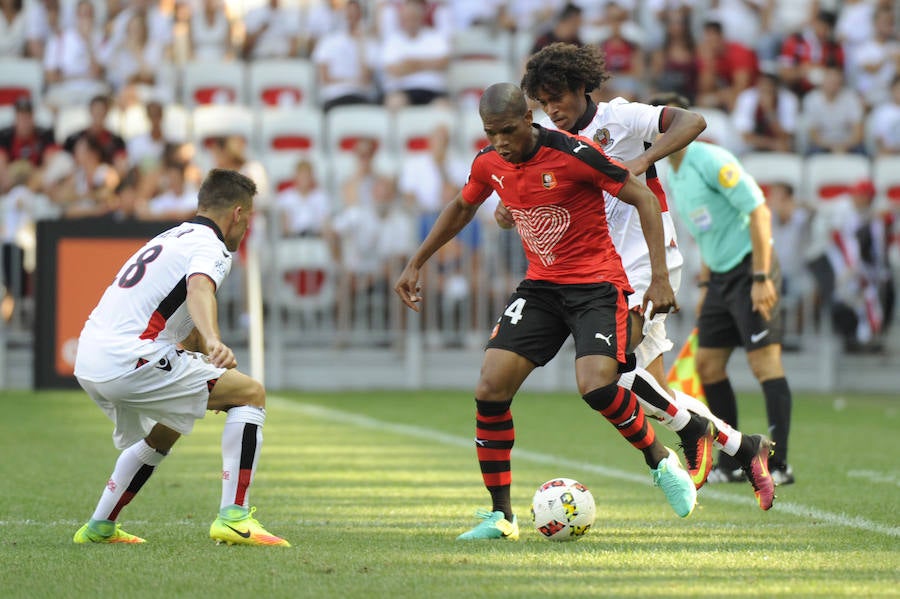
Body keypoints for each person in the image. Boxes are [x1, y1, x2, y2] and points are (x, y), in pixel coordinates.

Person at [395, 83, 698, 542]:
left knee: (596, 386)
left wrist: (658, 278)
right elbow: (462, 206)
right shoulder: (488, 162)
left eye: (508, 131)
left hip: (597, 286)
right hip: (541, 287)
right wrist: (416, 261)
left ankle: (659, 460)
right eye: (490, 132)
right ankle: (501, 516)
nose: (500, 141)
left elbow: (644, 197)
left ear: (528, 119)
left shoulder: (575, 153)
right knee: (490, 387)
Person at [497, 43, 775, 509]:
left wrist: (644, 161)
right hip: (600, 270)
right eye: (543, 103)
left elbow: (693, 122)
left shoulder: (623, 118)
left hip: (645, 261)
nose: (552, 110)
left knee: (612, 373)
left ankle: (700, 435)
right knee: (647, 389)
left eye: (558, 97)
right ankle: (745, 448)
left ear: (581, 87)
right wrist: (510, 210)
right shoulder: (550, 140)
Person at [72, 168, 290, 546]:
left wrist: (204, 351)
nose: (246, 228)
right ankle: (234, 518)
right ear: (237, 214)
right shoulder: (210, 246)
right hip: (131, 358)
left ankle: (99, 527)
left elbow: (178, 319)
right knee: (250, 394)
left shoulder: (173, 236)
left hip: (91, 357)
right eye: (249, 218)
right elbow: (199, 291)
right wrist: (215, 339)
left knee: (170, 423)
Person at [660, 99, 795, 486]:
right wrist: (705, 284)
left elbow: (758, 211)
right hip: (719, 278)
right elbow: (706, 232)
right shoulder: (675, 172)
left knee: (765, 365)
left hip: (750, 267)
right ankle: (738, 459)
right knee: (708, 366)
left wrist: (761, 277)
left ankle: (779, 463)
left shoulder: (712, 160)